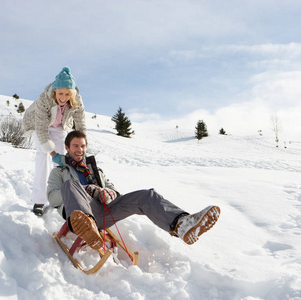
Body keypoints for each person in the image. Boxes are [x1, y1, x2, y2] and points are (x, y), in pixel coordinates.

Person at [47, 130, 220, 249]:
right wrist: (85, 189)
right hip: (79, 216)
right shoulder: (60, 172)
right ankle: (86, 225)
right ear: (68, 148)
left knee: (146, 196)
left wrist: (107, 193)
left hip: (105, 210)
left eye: (83, 146)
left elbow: (115, 191)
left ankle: (182, 224)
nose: (80, 150)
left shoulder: (95, 171)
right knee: (70, 185)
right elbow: (52, 197)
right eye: (75, 146)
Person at [23, 67, 87, 216]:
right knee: (43, 157)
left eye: (67, 94)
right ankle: (39, 201)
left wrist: (82, 147)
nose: (63, 97)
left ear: (71, 93)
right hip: (40, 126)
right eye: (60, 93)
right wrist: (52, 152)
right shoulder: (44, 99)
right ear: (55, 91)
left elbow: (80, 123)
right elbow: (40, 128)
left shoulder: (77, 101)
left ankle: (64, 197)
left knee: (63, 162)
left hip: (60, 128)